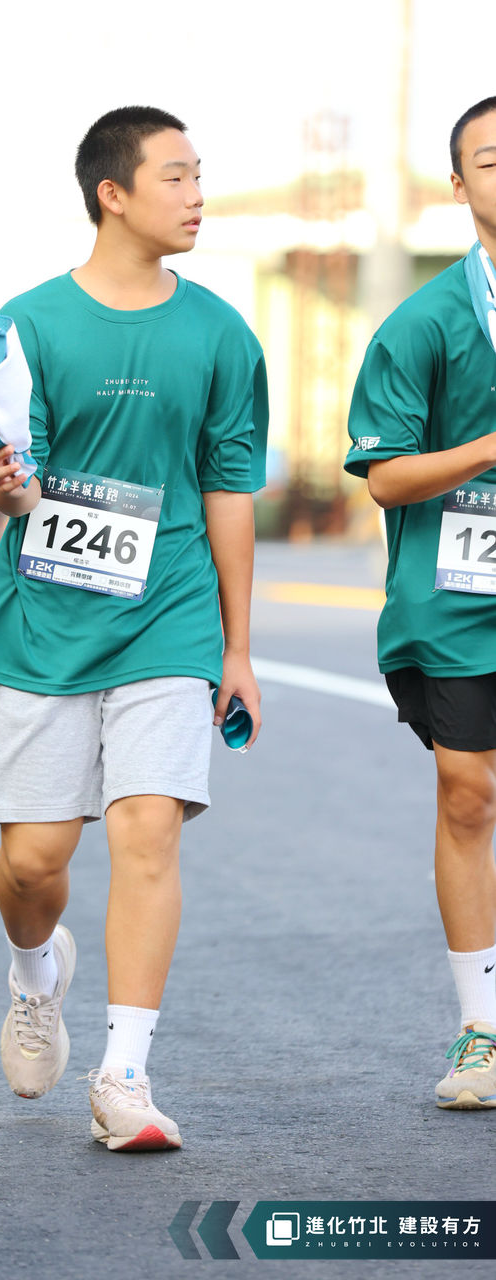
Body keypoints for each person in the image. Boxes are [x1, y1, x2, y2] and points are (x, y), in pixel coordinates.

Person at [0, 106, 268, 1150]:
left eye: (198, 175)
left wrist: (234, 647)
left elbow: (228, 489)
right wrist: (9, 489)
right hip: (46, 623)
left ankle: (123, 1075)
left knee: (147, 829)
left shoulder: (220, 332)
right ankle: (34, 970)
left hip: (167, 615)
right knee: (32, 862)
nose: (196, 195)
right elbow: (4, 484)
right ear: (113, 193)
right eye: (175, 176)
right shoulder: (27, 327)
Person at [344, 96, 496, 1110]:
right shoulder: (424, 323)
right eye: (490, 159)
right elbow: (386, 477)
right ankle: (481, 1030)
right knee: (467, 794)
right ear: (457, 184)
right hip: (455, 596)